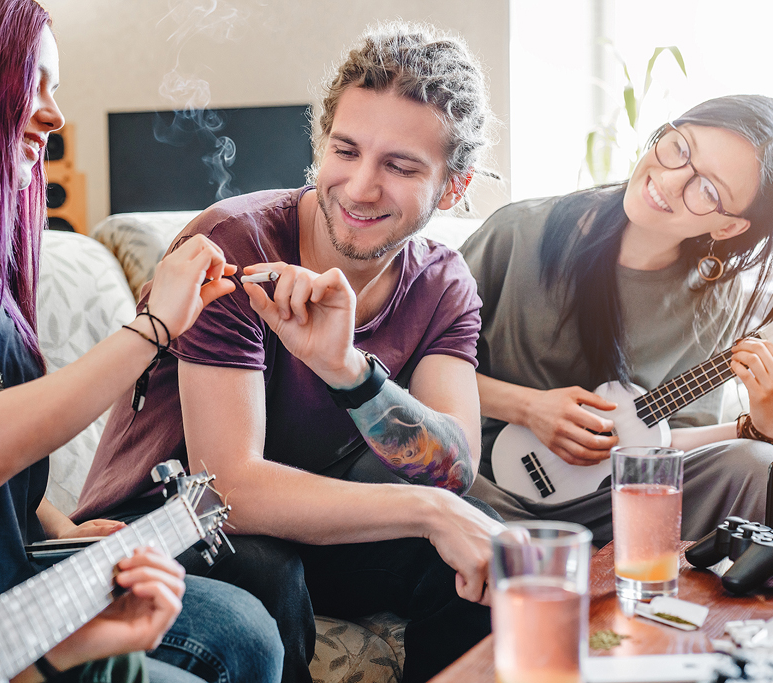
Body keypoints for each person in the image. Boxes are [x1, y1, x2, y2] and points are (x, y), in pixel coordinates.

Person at [0, 0, 283, 681]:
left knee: (251, 617)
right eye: (28, 83)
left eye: (55, 88)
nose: (53, 114)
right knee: (234, 636)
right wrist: (153, 326)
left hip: (2, 577)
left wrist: (56, 525)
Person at [74, 22, 506, 683]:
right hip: (165, 523)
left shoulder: (443, 282)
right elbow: (228, 490)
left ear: (452, 187)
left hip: (307, 527)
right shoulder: (236, 245)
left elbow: (452, 469)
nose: (361, 186)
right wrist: (429, 509)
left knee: (485, 547)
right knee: (264, 568)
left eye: (400, 165)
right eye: (347, 150)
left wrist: (349, 372)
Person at [460, 95, 773, 543]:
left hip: (618, 502)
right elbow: (410, 369)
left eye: (708, 190)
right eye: (680, 147)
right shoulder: (517, 234)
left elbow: (664, 446)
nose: (669, 181)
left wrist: (761, 430)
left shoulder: (715, 296)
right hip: (485, 490)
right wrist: (528, 407)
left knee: (755, 464)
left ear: (727, 228)